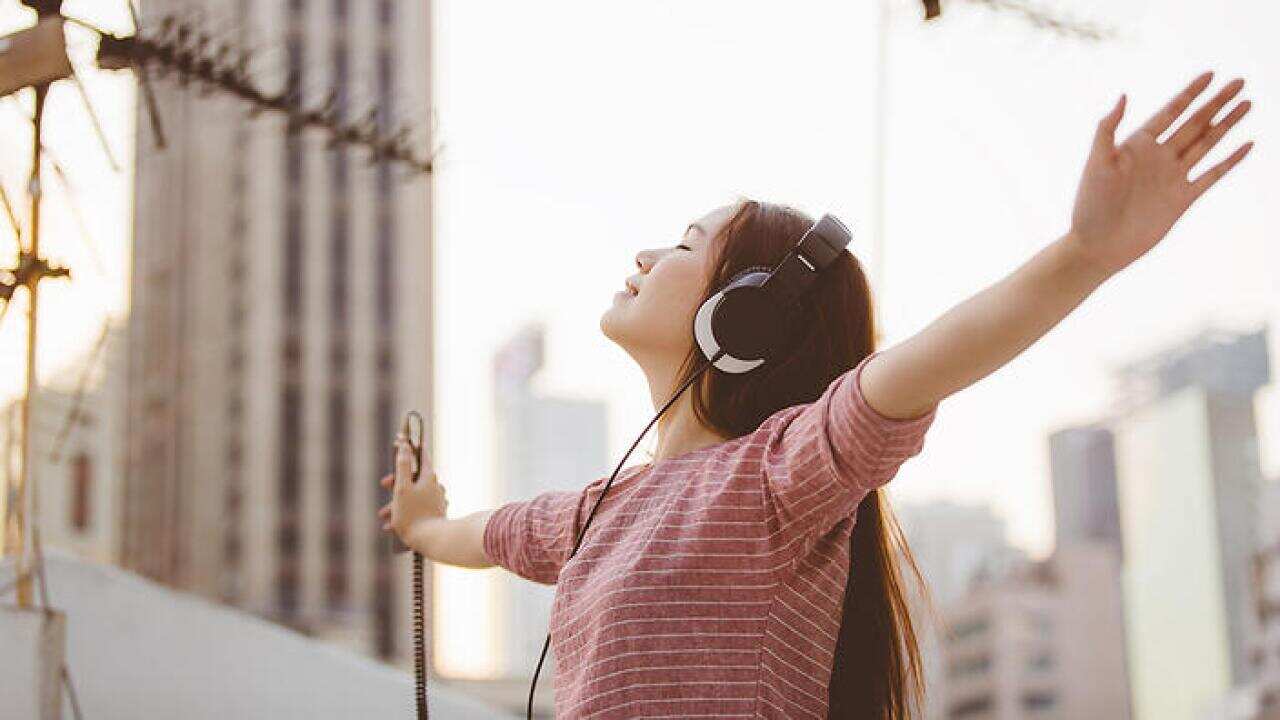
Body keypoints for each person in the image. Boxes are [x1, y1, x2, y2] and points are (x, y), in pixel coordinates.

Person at [378, 70, 1253, 719]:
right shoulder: (590, 514)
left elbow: (932, 359)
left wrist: (1086, 253)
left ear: (745, 315)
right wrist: (418, 524)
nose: (645, 255)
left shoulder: (780, 474)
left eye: (684, 244)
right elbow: (477, 537)